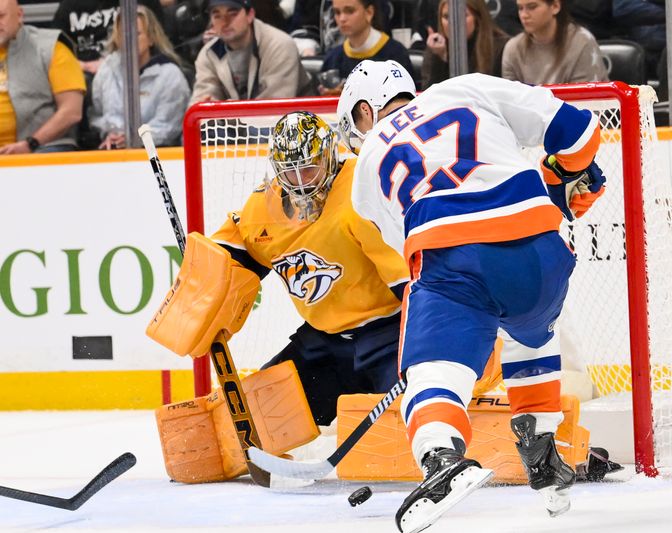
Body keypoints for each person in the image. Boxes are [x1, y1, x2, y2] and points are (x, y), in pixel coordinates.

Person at [337, 59, 607, 532]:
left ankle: (440, 457)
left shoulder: (364, 171)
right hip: (542, 253)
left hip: (453, 261)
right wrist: (565, 177)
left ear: (365, 112)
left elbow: (424, 236)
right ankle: (542, 447)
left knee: (430, 369)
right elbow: (581, 133)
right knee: (531, 327)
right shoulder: (468, 88)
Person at [150, 110, 409, 430]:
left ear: (329, 157)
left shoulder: (363, 190)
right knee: (252, 423)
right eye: (290, 173)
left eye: (309, 169)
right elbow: (234, 258)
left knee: (403, 430)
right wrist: (202, 292)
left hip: (390, 338)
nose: (301, 183)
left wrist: (431, 343)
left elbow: (411, 282)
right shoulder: (264, 208)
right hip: (324, 346)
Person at [90, 5, 190, 149]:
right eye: (123, 33)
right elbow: (96, 114)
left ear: (151, 38)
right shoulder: (107, 69)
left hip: (156, 152)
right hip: (112, 149)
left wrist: (135, 138)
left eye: (136, 34)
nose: (128, 39)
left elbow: (169, 125)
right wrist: (110, 133)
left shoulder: (170, 74)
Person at [0, 0, 85, 154]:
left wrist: (30, 144)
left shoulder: (51, 47)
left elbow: (72, 112)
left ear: (19, 15)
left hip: (42, 147)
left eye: (1, 16)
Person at [189, 0, 314, 105]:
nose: (225, 22)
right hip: (237, 128)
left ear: (250, 15)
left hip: (296, 126)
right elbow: (201, 100)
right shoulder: (208, 54)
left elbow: (273, 107)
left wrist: (222, 114)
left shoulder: (279, 44)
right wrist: (206, 105)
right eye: (217, 16)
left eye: (232, 14)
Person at [318, 0, 412, 95]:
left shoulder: (396, 54)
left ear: (369, 12)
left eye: (350, 11)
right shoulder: (332, 58)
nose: (342, 18)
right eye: (337, 12)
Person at [502, 0, 608, 84]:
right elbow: (511, 100)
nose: (524, 15)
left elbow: (587, 99)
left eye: (532, 7)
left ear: (555, 6)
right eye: (520, 8)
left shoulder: (582, 42)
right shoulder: (512, 48)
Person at [51, 0, 165, 76]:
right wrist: (78, 65)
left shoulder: (142, 2)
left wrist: (111, 63)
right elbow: (55, 47)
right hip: (81, 75)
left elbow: (157, 40)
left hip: (132, 71)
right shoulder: (69, 5)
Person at [421, 0, 509, 89]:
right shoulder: (436, 47)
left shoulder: (501, 47)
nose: (452, 22)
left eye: (462, 16)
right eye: (446, 16)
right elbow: (428, 94)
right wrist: (440, 58)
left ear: (478, 18)